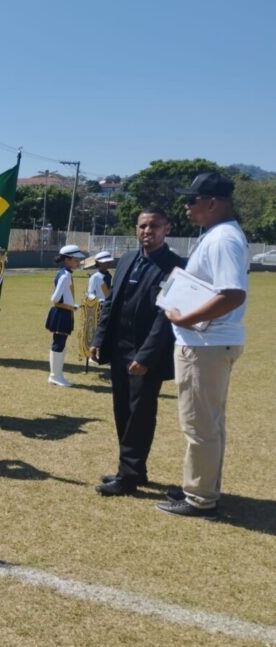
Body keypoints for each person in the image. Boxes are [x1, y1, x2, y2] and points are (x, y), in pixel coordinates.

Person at [157, 172, 249, 519]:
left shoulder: (223, 239)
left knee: (200, 426)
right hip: (210, 343)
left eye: (192, 200)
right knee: (208, 423)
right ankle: (202, 486)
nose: (186, 206)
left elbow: (232, 293)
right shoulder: (219, 235)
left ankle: (199, 498)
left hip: (206, 343)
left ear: (213, 203)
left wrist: (184, 318)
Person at [90, 208, 184, 496]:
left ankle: (128, 477)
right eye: (142, 226)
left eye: (154, 225)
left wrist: (145, 356)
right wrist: (99, 338)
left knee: (140, 414)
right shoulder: (128, 260)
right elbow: (111, 304)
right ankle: (134, 469)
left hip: (146, 355)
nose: (147, 231)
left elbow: (164, 317)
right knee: (122, 410)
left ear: (166, 228)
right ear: (136, 229)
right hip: (119, 349)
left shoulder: (177, 266)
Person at [46, 244, 86, 386]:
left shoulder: (65, 273)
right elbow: (55, 298)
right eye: (76, 260)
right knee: (59, 344)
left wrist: (72, 306)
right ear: (67, 260)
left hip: (64, 312)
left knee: (60, 344)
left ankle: (57, 375)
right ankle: (55, 376)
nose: (78, 262)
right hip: (61, 313)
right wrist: (69, 306)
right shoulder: (64, 275)